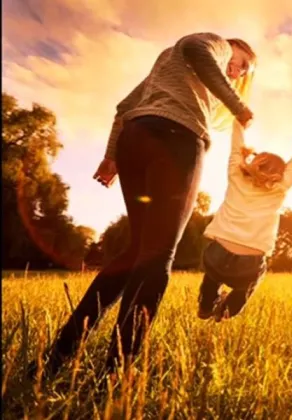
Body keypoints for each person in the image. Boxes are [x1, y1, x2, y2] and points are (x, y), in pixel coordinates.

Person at [33, 32, 258, 378]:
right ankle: (116, 373)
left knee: (136, 251)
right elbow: (197, 48)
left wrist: (111, 157)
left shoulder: (169, 65)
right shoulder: (214, 43)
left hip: (135, 139)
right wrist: (237, 105)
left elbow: (124, 108)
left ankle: (59, 356)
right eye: (241, 63)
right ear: (232, 47)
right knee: (158, 256)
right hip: (177, 140)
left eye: (244, 72)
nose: (238, 71)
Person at [197, 121, 292, 321]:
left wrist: (239, 123)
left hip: (217, 255)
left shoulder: (236, 175)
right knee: (247, 286)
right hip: (249, 263)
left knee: (212, 277)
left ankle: (206, 306)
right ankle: (227, 312)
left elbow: (236, 147)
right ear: (280, 173)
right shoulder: (281, 187)